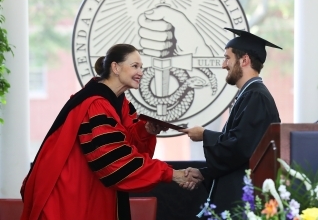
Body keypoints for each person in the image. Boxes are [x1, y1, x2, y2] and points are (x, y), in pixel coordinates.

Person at [20, 44, 192, 220]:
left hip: (93, 188)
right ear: (115, 67)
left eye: (141, 67)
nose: (140, 72)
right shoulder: (95, 104)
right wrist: (172, 174)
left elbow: (128, 144)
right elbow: (115, 160)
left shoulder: (120, 102)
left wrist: (145, 130)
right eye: (135, 66)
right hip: (70, 192)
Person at [180, 28, 282, 215]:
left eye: (228, 58)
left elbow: (240, 147)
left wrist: (205, 135)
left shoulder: (256, 97)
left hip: (244, 201)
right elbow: (239, 150)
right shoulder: (248, 95)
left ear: (244, 60)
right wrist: (205, 173)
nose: (223, 64)